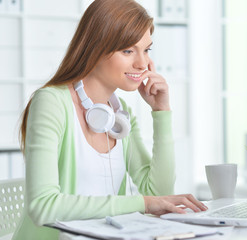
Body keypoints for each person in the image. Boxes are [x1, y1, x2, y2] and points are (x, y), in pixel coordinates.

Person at [13, 0, 207, 239]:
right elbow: (43, 206)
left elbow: (158, 192)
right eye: (128, 50)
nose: (142, 63)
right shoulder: (52, 103)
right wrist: (140, 204)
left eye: (146, 50)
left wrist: (161, 113)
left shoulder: (120, 113)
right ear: (95, 49)